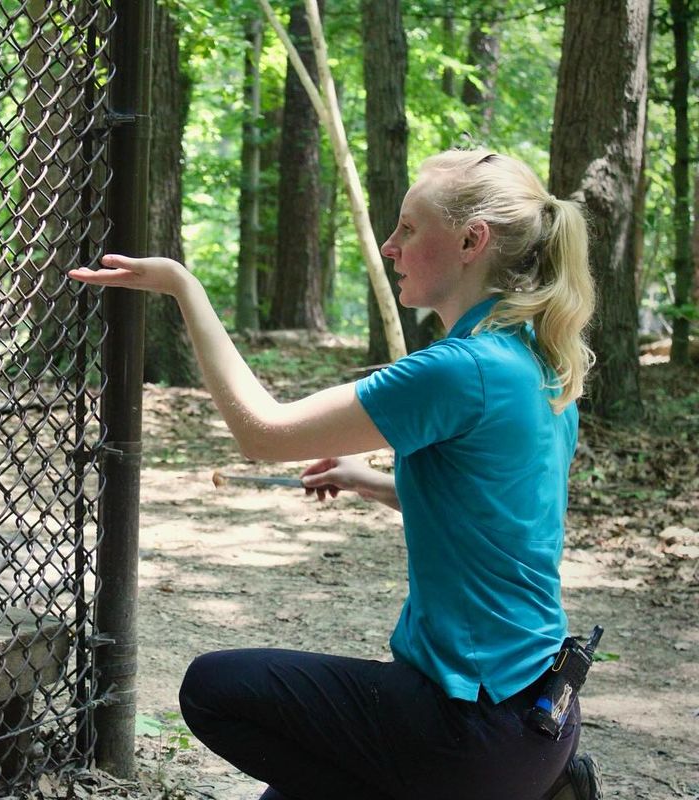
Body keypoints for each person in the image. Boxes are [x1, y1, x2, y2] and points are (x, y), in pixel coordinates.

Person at [68, 150, 603, 800]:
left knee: (213, 691)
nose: (391, 245)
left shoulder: (463, 368)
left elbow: (262, 432)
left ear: (471, 241)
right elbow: (501, 513)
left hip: (463, 730)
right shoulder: (542, 363)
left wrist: (184, 286)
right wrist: (374, 481)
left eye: (409, 227)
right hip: (541, 720)